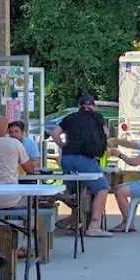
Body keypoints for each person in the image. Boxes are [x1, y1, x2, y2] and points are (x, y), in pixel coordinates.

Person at [49, 92, 111, 236]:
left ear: (79, 106)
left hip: (67, 158)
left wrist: (64, 146)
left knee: (77, 190)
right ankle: (94, 225)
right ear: (93, 106)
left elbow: (54, 133)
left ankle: (74, 218)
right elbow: (106, 134)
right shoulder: (97, 118)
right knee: (102, 187)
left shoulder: (70, 117)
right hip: (85, 158)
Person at [0, 116, 37, 207]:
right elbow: (30, 169)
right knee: (31, 201)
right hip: (11, 198)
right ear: (7, 129)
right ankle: (22, 220)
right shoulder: (15, 144)